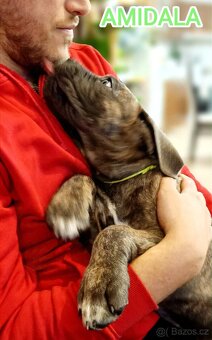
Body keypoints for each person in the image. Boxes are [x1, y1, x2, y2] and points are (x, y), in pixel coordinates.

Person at [0, 1, 211, 339]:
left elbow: (176, 172)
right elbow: (12, 329)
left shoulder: (84, 62)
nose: (82, 6)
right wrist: (180, 254)